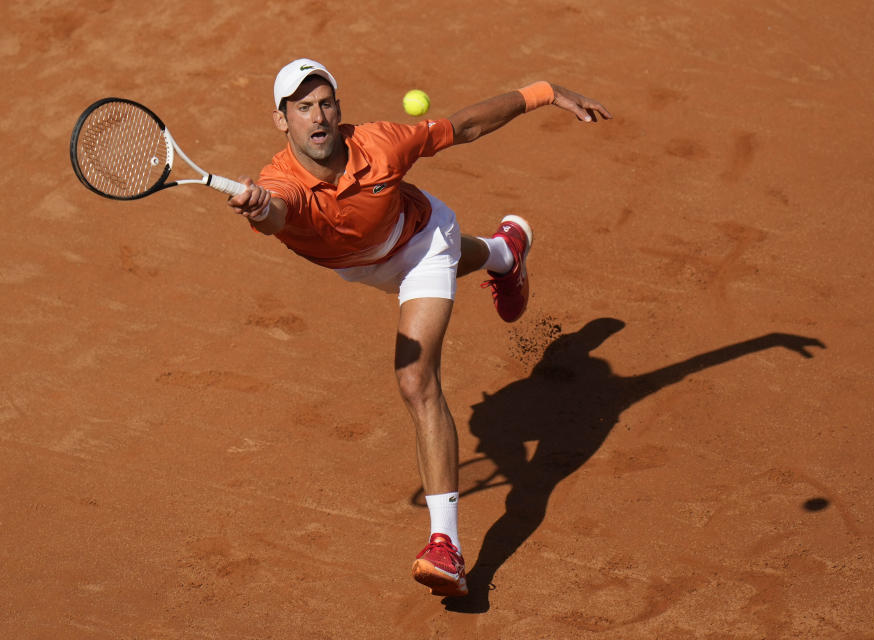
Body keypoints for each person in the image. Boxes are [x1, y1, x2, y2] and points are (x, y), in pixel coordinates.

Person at [227, 58, 611, 598]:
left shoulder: (381, 143)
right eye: (302, 107)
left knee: (415, 379)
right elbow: (275, 214)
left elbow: (465, 126)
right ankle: (505, 252)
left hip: (423, 241)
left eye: (326, 103)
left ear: (339, 110)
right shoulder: (277, 183)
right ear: (281, 120)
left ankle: (444, 547)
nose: (317, 117)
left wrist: (544, 92)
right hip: (365, 266)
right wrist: (255, 209)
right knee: (463, 265)